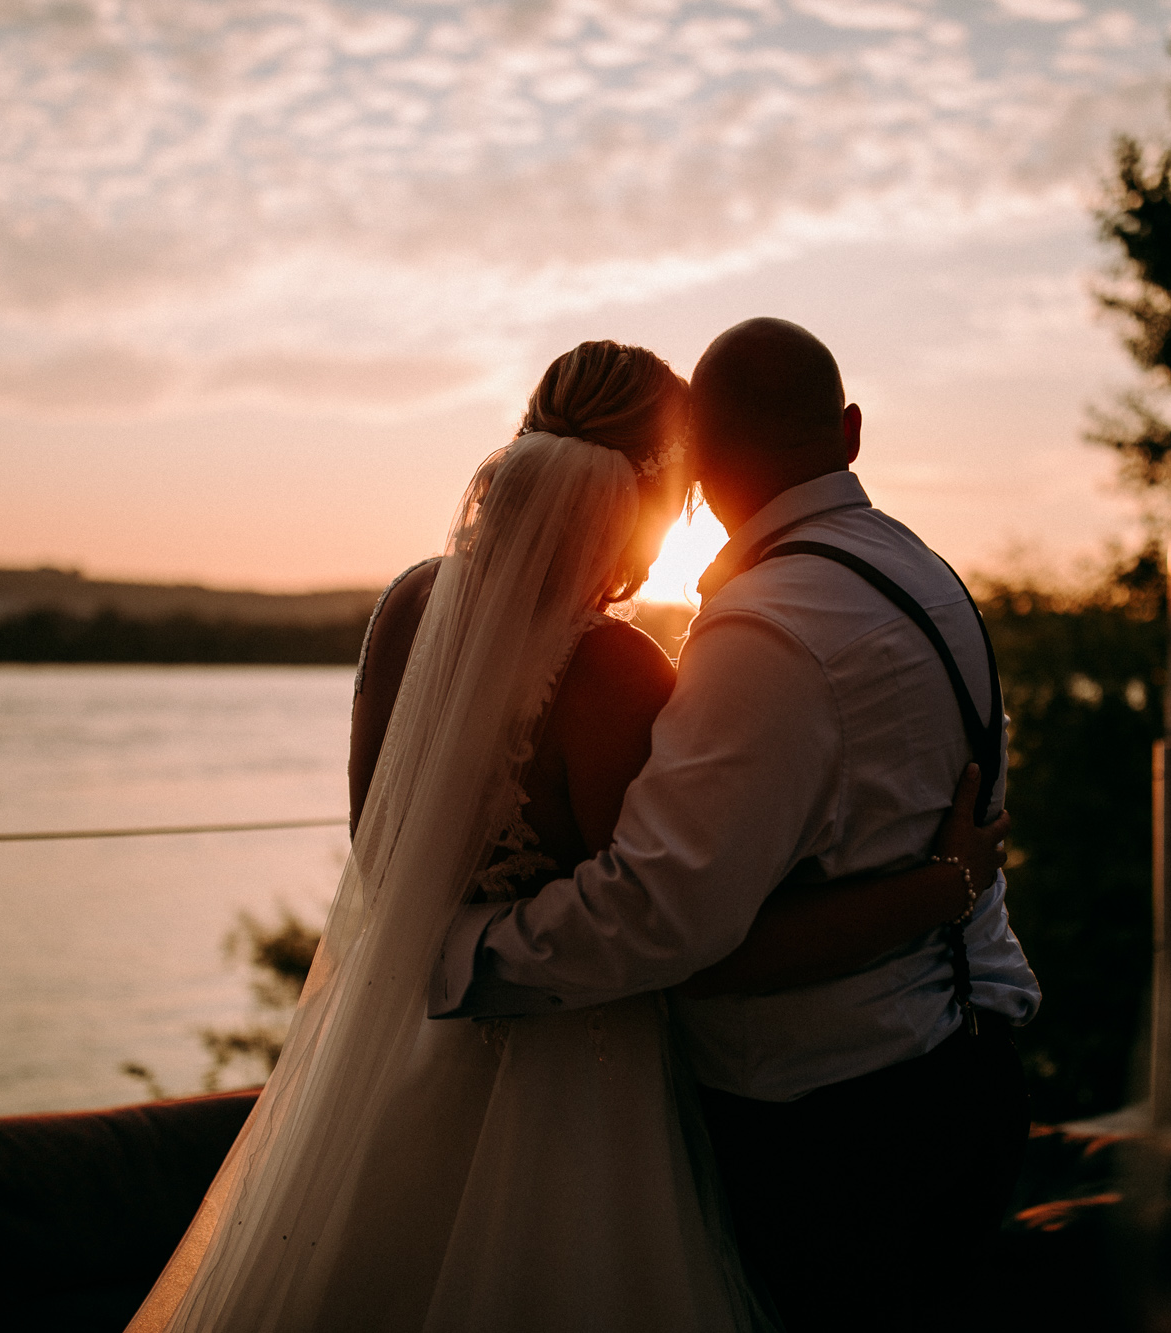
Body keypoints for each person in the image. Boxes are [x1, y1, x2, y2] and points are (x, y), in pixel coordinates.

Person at [127, 339, 1008, 1332]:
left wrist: (433, 943)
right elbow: (668, 928)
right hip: (577, 1080)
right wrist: (930, 891)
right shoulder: (615, 667)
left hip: (409, 1049)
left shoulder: (408, 606)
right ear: (658, 490)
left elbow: (381, 851)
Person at [430, 318, 1041, 1331]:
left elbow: (659, 915)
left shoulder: (764, 628)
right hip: (968, 1070)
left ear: (699, 470)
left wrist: (461, 956)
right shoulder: (922, 572)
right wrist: (943, 890)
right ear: (848, 432)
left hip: (840, 1130)